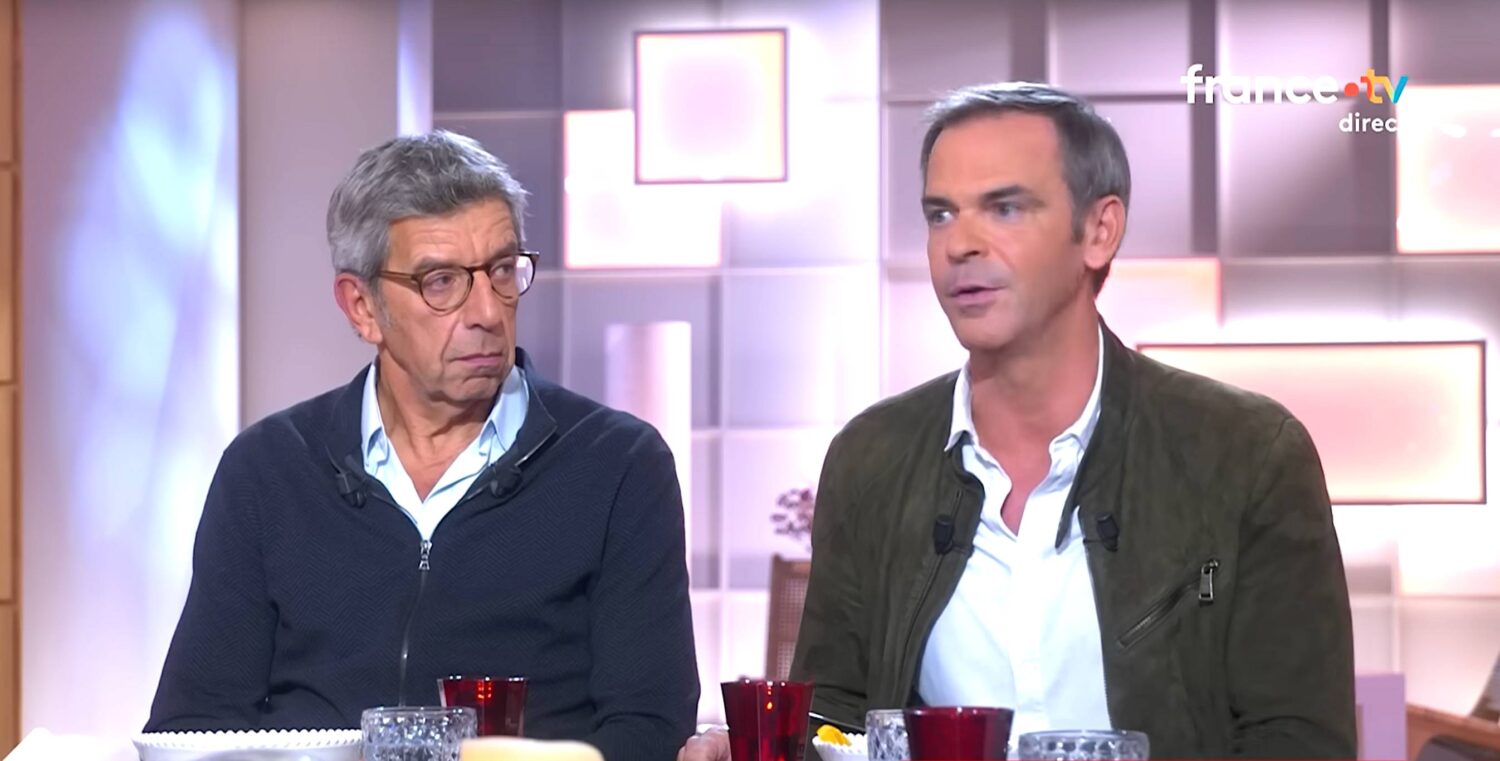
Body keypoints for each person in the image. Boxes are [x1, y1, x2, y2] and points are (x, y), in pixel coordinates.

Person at [680, 82, 1355, 760]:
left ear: (1099, 230)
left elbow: (1298, 741)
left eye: (1004, 208)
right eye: (941, 214)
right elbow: (835, 720)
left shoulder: (1245, 455)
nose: (960, 244)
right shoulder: (872, 460)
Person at [148, 131, 699, 761]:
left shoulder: (618, 466)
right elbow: (193, 729)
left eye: (502, 270)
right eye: (441, 282)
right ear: (362, 307)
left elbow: (648, 729)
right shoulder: (267, 470)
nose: (487, 311)